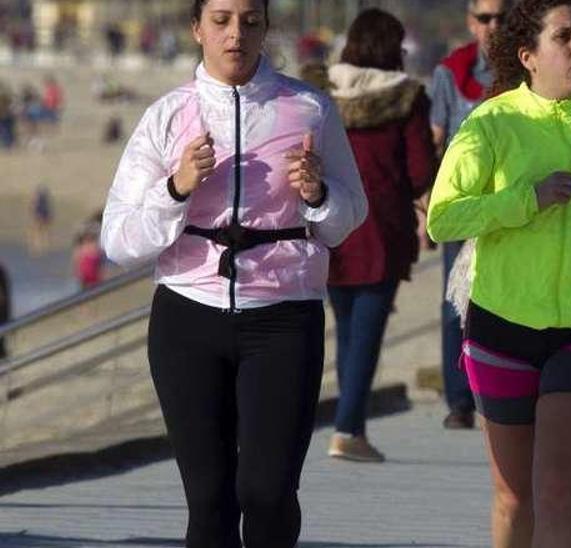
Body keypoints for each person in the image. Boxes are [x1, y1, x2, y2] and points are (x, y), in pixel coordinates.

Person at [100, 0, 367, 544]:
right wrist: (175, 188)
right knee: (209, 499)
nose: (235, 34)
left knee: (266, 493)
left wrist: (316, 194)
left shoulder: (309, 108)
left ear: (267, 27)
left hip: (284, 315)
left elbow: (348, 218)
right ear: (197, 29)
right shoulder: (169, 114)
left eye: (250, 20)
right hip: (187, 317)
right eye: (220, 20)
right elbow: (118, 239)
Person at [425, 0, 571, 545]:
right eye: (564, 37)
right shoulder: (492, 122)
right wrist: (526, 199)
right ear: (527, 55)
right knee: (514, 496)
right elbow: (443, 218)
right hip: (504, 325)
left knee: (555, 490)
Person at [325, 8, 437, 463]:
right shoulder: (406, 98)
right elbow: (419, 171)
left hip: (331, 226)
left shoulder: (322, 93)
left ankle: (347, 425)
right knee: (366, 336)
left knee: (348, 330)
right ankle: (348, 430)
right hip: (381, 229)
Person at [428, 0, 510, 431]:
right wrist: (427, 200)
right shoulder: (450, 73)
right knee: (455, 304)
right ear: (470, 22)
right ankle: (458, 400)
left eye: (500, 18)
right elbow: (436, 139)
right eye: (484, 18)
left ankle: (498, 392)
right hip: (464, 209)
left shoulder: (526, 71)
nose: (492, 27)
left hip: (515, 208)